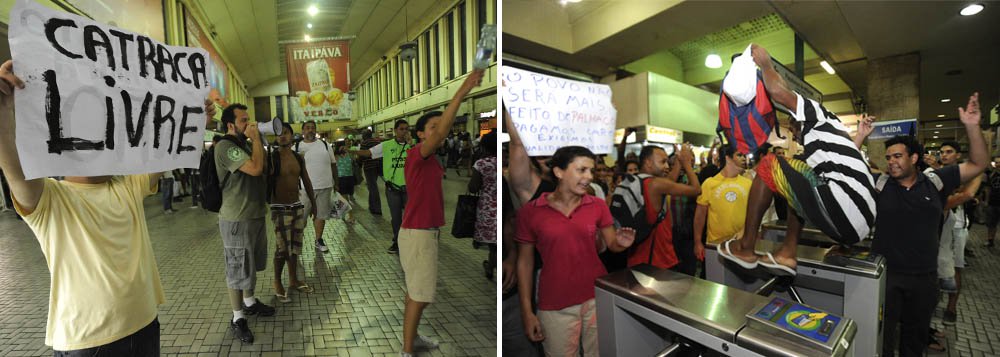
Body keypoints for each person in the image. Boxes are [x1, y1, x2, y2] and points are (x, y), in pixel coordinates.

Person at [0, 60, 215, 354]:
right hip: (89, 343)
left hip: (145, 326)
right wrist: (3, 111)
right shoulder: (50, 199)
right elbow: (13, 167)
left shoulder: (126, 186)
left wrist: (193, 118)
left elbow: (171, 147)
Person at [720, 44, 876, 278]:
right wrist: (861, 137)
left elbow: (779, 92)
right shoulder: (829, 136)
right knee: (799, 176)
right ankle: (787, 254)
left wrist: (765, 64)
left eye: (793, 125)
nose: (793, 129)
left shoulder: (817, 113)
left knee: (768, 165)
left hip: (845, 208)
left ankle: (745, 248)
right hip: (860, 224)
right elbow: (844, 166)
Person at [858, 93, 987, 357]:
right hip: (886, 276)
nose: (891, 161)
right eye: (888, 157)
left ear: (914, 158)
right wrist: (860, 136)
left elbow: (978, 164)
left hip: (924, 279)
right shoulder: (881, 184)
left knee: (914, 340)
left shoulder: (937, 181)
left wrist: (972, 127)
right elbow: (847, 168)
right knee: (881, 338)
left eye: (897, 156)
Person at [516, 146, 636, 357]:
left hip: (596, 299)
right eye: (581, 170)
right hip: (555, 304)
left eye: (591, 171)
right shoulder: (531, 211)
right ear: (559, 172)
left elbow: (612, 245)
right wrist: (527, 312)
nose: (589, 177)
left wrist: (622, 243)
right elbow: (524, 263)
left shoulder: (597, 206)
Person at [396, 69, 484, 356]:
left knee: (416, 293)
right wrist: (463, 90)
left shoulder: (431, 160)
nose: (438, 130)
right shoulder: (416, 154)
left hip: (423, 232)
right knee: (420, 295)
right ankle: (408, 351)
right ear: (420, 134)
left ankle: (413, 339)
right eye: (431, 127)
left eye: (439, 126)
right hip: (418, 234)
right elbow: (444, 132)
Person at [215, 103, 276, 344]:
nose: (249, 125)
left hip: (254, 214)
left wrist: (257, 141)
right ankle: (237, 317)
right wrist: (257, 140)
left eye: (249, 120)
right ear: (230, 125)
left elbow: (266, 170)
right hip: (236, 219)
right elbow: (255, 168)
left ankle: (249, 302)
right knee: (237, 268)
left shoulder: (246, 144)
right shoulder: (225, 147)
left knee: (251, 264)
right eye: (243, 121)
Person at [626, 144, 702, 270]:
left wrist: (678, 161)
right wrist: (686, 163)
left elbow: (669, 182)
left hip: (639, 255)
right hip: (658, 258)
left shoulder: (637, 181)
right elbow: (696, 189)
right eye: (663, 162)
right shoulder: (656, 184)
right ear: (648, 163)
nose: (667, 166)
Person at [268, 122, 318, 303]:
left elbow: (306, 180)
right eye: (279, 133)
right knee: (282, 248)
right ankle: (277, 282)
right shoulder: (272, 158)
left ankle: (293, 279)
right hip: (279, 207)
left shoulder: (298, 157)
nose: (282, 136)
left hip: (296, 205)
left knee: (295, 246)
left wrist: (314, 203)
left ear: (291, 135)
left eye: (286, 133)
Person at [354, 119, 412, 253]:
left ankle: (411, 241)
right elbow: (368, 153)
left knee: (410, 216)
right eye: (401, 129)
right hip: (393, 188)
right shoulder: (385, 145)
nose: (404, 132)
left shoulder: (413, 145)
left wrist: (411, 145)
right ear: (395, 130)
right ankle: (397, 241)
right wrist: (352, 151)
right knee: (396, 217)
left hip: (410, 188)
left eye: (406, 129)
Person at [692, 145, 751, 262]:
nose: (744, 158)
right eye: (739, 155)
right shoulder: (709, 183)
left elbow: (753, 214)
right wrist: (698, 242)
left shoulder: (748, 183)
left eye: (744, 155)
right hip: (716, 245)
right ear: (728, 158)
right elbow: (699, 217)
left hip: (742, 244)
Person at [295, 121, 336, 253]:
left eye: (313, 128)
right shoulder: (296, 147)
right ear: (302, 131)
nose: (310, 130)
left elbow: (333, 164)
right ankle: (296, 243)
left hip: (325, 186)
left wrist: (337, 183)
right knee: (301, 218)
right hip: (303, 190)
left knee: (321, 216)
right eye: (307, 128)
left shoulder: (325, 144)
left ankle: (318, 240)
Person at [470, 131, 498, 280]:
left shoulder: (482, 164)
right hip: (506, 206)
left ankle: (491, 266)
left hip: (488, 208)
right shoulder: (509, 161)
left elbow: (473, 188)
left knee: (494, 244)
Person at [359, 129, 384, 215]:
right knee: (372, 186)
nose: (362, 136)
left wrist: (358, 163)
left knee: (373, 187)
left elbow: (362, 156)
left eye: (362, 134)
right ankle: (372, 206)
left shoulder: (365, 143)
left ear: (365, 135)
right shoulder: (376, 142)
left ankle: (377, 208)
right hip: (377, 166)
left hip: (369, 167)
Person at [985, 155, 1000, 248]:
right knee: (991, 223)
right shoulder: (991, 174)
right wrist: (986, 200)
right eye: (997, 162)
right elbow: (988, 188)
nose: (998, 164)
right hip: (993, 202)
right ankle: (990, 240)